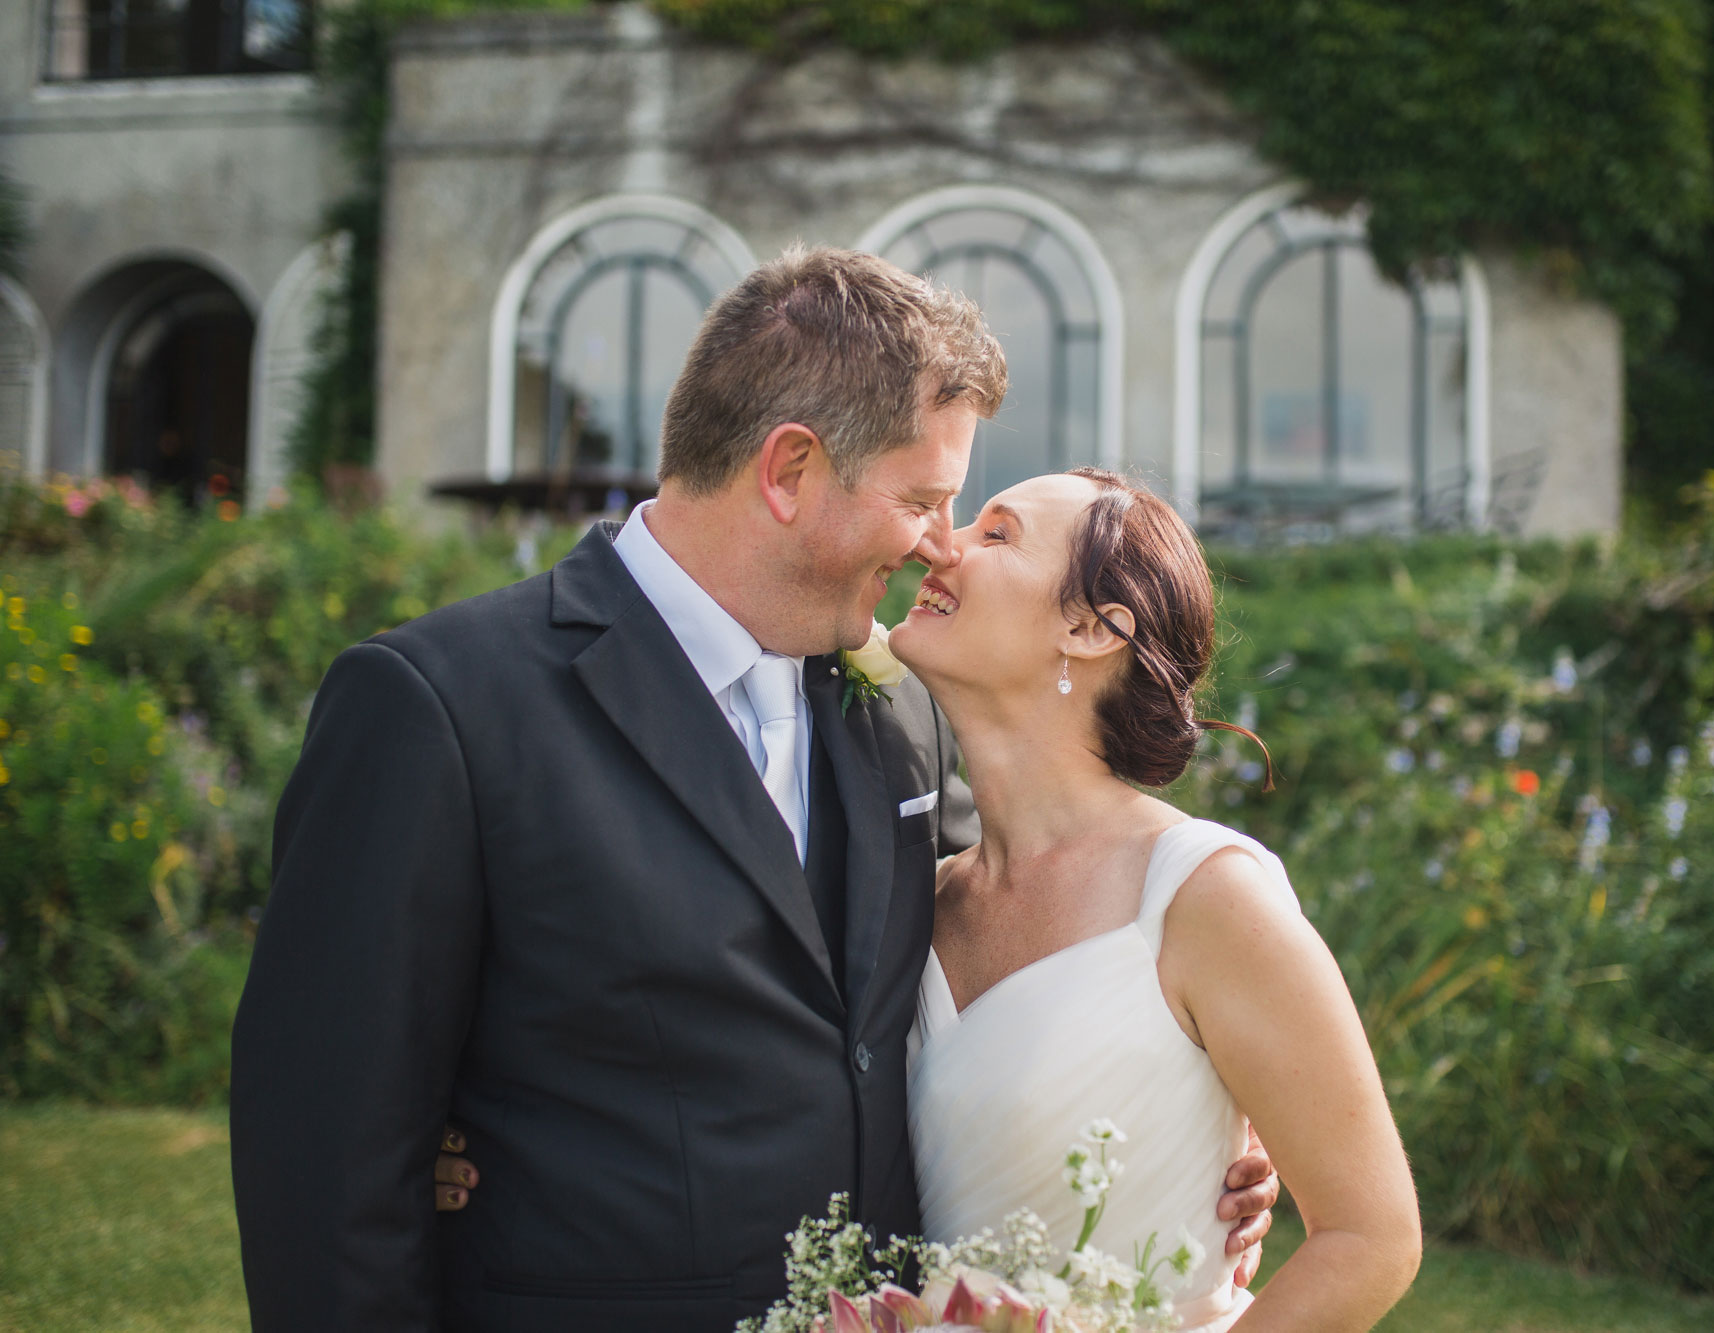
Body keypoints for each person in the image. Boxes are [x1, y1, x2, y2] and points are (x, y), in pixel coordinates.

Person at [229, 246, 1275, 1332]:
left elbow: (1002, 949)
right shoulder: (440, 708)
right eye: (922, 498)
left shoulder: (902, 704)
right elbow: (324, 1161)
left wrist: (1189, 1113)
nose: (938, 546)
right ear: (787, 472)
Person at [894, 468, 1424, 1331]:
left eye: (997, 534)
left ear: (1090, 628)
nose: (940, 544)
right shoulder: (921, 895)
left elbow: (1372, 1237)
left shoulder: (1203, 896)